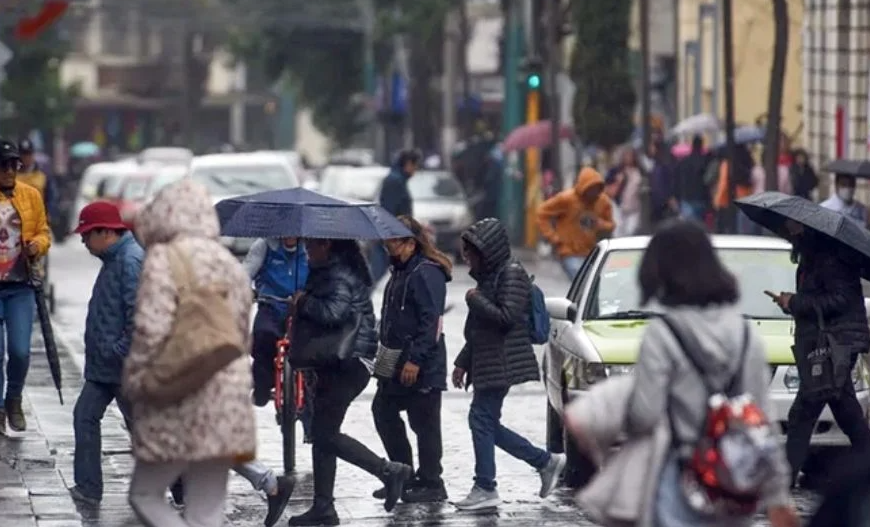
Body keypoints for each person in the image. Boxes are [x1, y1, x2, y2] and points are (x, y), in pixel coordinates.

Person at [624, 219, 798, 527]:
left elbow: (644, 415)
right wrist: (778, 498)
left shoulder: (662, 334)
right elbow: (764, 421)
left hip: (678, 485)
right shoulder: (745, 334)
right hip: (732, 484)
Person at [123, 179, 258, 527]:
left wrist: (137, 380)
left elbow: (151, 329)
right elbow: (242, 331)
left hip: (180, 389)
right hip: (228, 394)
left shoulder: (164, 258)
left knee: (145, 494)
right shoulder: (229, 263)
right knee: (207, 512)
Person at [290, 237, 412, 526]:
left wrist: (304, 301)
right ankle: (323, 507)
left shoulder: (338, 274)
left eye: (311, 247)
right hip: (337, 363)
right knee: (323, 433)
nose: (307, 252)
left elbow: (334, 312)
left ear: (327, 246)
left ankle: (387, 470)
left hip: (348, 362)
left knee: (324, 434)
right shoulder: (332, 271)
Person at [451, 218, 566, 510]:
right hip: (487, 360)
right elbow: (478, 330)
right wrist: (463, 362)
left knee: (481, 419)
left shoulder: (510, 274)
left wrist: (475, 300)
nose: (467, 258)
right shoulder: (488, 277)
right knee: (485, 422)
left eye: (471, 252)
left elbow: (505, 317)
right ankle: (544, 461)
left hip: (501, 361)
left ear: (487, 250)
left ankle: (486, 485)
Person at [768, 219, 870, 487]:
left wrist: (796, 302)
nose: (788, 233)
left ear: (806, 229)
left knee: (803, 413)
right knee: (847, 412)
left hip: (835, 345)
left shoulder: (829, 258)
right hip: (826, 346)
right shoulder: (812, 256)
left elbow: (840, 299)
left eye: (792, 227)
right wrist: (789, 303)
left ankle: (784, 482)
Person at [371, 216, 451, 503]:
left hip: (422, 365)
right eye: (387, 242)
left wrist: (416, 360)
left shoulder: (426, 272)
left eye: (394, 242)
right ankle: (403, 473)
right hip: (394, 360)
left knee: (425, 423)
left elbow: (432, 322)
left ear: (410, 242)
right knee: (383, 410)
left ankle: (431, 482)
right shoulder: (400, 271)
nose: (389, 247)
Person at [69, 202, 144, 505]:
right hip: (106, 366)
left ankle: (181, 484)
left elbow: (139, 317)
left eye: (87, 234)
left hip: (121, 366)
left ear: (105, 232)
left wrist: (118, 352)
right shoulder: (115, 259)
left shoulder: (130, 260)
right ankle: (88, 488)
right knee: (86, 417)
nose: (84, 242)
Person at [0, 139, 50, 434]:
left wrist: (37, 246)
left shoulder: (30, 195)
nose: (9, 171)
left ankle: (13, 398)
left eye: (13, 165)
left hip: (20, 286)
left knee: (19, 351)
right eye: (3, 165)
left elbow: (44, 231)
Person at [242, 237, 309, 406]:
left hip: (303, 308)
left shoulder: (310, 247)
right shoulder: (264, 246)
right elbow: (245, 273)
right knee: (263, 336)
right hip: (271, 305)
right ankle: (262, 386)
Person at [536, 167, 615, 281]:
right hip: (569, 252)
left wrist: (602, 225)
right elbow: (542, 213)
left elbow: (611, 225)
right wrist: (553, 237)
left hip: (592, 253)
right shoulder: (567, 199)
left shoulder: (603, 202)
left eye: (596, 188)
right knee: (581, 281)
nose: (593, 192)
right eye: (591, 188)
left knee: (589, 287)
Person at [370, 149, 421, 284]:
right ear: (409, 164)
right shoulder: (395, 181)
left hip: (394, 234)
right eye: (415, 166)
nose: (416, 170)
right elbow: (390, 210)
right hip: (391, 235)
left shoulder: (397, 179)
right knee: (375, 274)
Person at [673, 135, 712, 223]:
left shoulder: (684, 161)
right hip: (701, 197)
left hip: (687, 197)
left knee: (689, 225)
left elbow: (677, 180)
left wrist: (677, 196)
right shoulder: (705, 161)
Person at [17, 139, 57, 221]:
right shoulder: (11, 175)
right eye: (23, 154)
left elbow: (51, 197)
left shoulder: (43, 175)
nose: (26, 158)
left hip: (38, 219)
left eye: (28, 154)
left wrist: (49, 213)